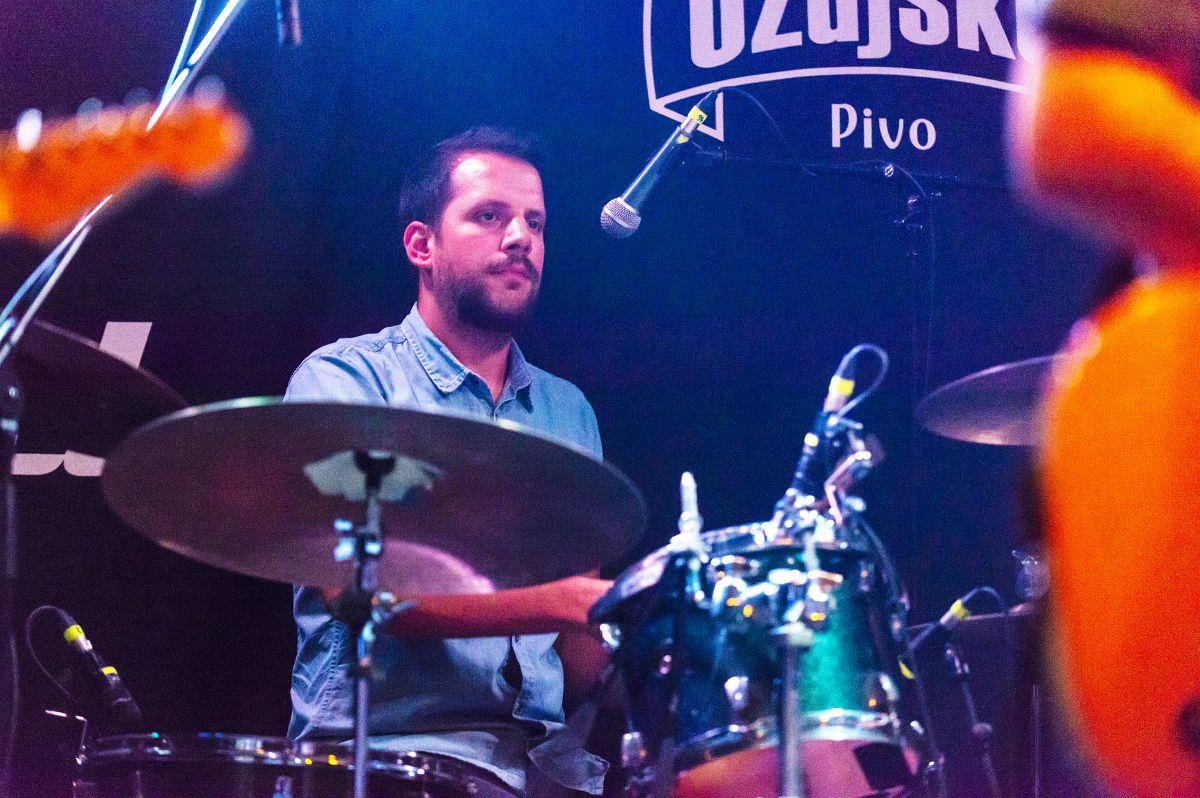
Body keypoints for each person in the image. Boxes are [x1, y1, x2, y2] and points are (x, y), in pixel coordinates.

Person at [285, 127, 613, 796]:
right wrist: (567, 602)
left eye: (535, 222)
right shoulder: (349, 380)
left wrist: (666, 645)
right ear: (421, 245)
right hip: (386, 760)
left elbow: (579, 652)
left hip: (544, 768)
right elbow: (359, 586)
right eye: (490, 216)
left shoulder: (568, 410)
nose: (520, 238)